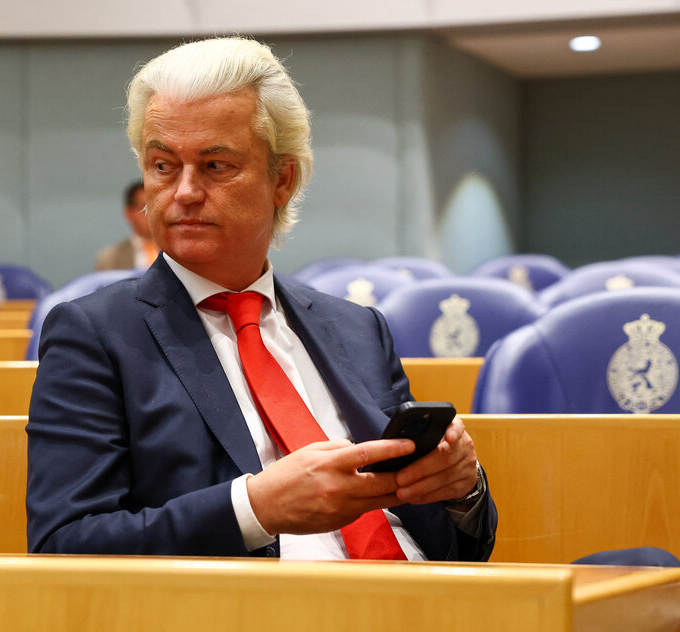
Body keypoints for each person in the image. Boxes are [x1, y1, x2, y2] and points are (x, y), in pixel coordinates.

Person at [27, 37, 496, 560]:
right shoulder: (95, 336)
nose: (184, 192)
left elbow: (456, 545)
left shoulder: (357, 328)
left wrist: (462, 490)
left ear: (282, 180)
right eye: (163, 165)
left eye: (215, 166)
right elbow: (63, 545)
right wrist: (253, 510)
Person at [94, 180, 159, 270]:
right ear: (129, 213)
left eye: (156, 206)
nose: (152, 213)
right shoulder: (109, 259)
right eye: (145, 208)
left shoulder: (175, 251)